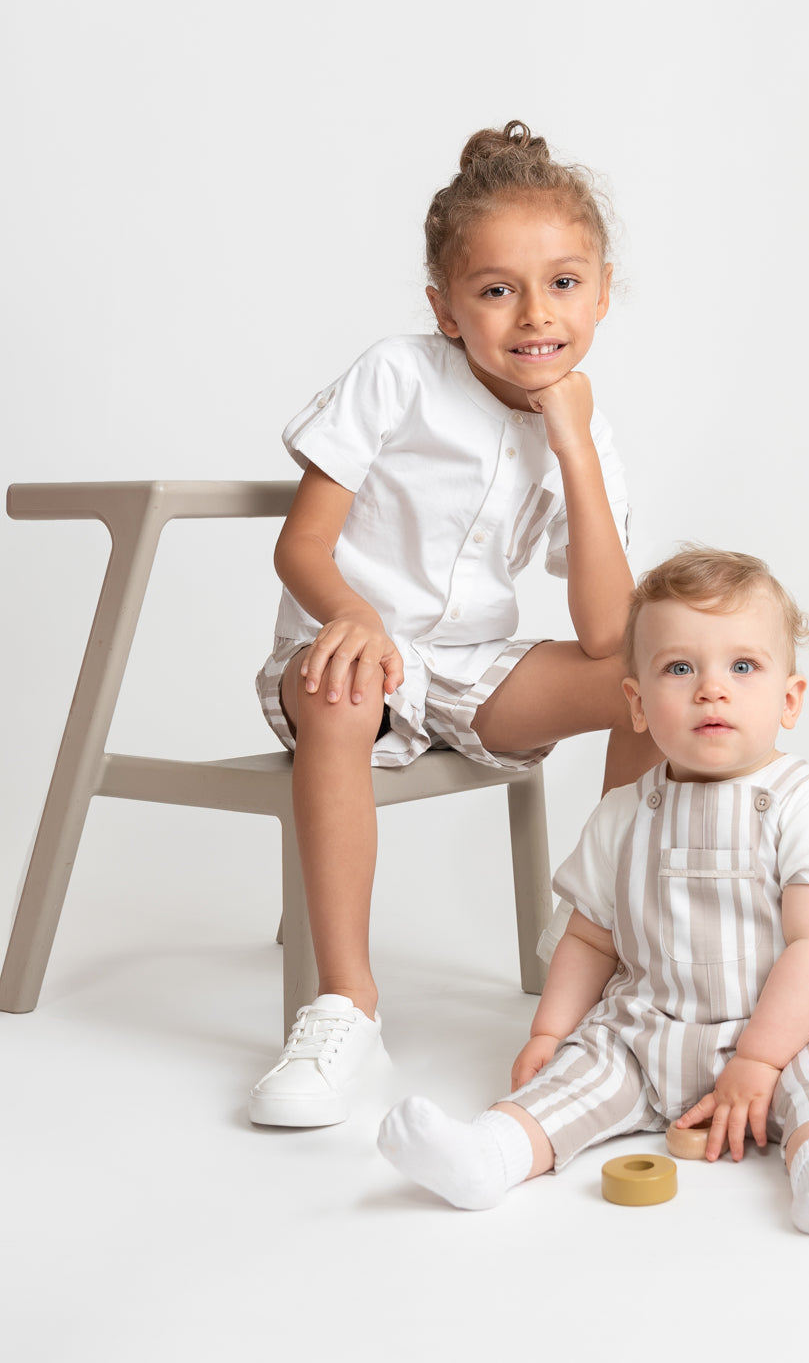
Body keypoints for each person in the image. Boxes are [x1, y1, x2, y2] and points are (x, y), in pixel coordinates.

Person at [248, 121, 660, 1127]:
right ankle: (344, 1006)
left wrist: (570, 439)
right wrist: (351, 617)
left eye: (564, 284)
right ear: (445, 307)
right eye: (494, 289)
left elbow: (607, 631)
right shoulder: (398, 374)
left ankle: (614, 959)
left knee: (653, 682)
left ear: (602, 291)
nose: (534, 315)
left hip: (475, 668)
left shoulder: (583, 421)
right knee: (344, 687)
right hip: (348, 652)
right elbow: (302, 547)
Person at [377, 548, 809, 1235]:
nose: (711, 689)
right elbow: (588, 936)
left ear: (790, 699)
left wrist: (760, 1059)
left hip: (788, 1028)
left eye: (743, 666)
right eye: (679, 668)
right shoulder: (622, 813)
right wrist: (553, 1030)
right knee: (585, 1070)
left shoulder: (806, 805)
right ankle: (491, 1153)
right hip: (653, 1029)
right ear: (636, 704)